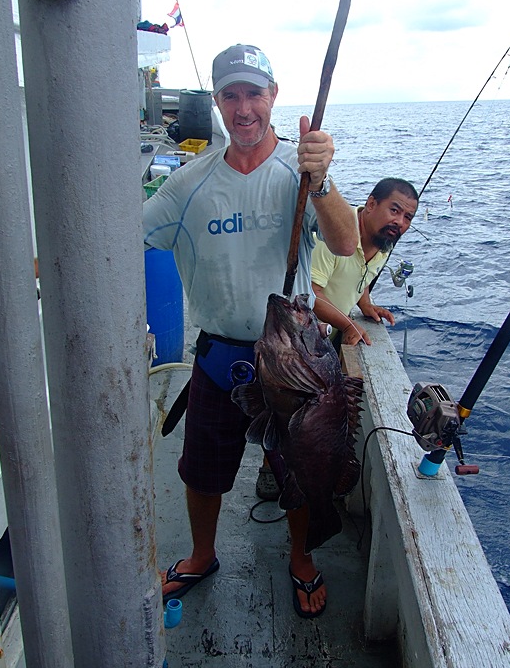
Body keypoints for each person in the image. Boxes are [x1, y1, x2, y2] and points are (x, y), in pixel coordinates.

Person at [143, 44, 357, 618]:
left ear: (273, 97)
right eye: (230, 95)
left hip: (292, 360)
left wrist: (322, 181)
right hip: (217, 356)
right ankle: (202, 554)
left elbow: (344, 242)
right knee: (201, 470)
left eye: (253, 94)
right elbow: (126, 237)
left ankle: (301, 558)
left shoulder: (300, 172)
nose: (243, 109)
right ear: (216, 101)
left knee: (300, 468)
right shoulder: (187, 184)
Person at [311, 177, 418, 347]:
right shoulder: (333, 235)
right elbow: (310, 294)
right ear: (371, 204)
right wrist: (348, 325)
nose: (400, 222)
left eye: (408, 218)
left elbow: (363, 271)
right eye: (394, 211)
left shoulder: (383, 238)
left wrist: (365, 303)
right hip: (297, 341)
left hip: (325, 342)